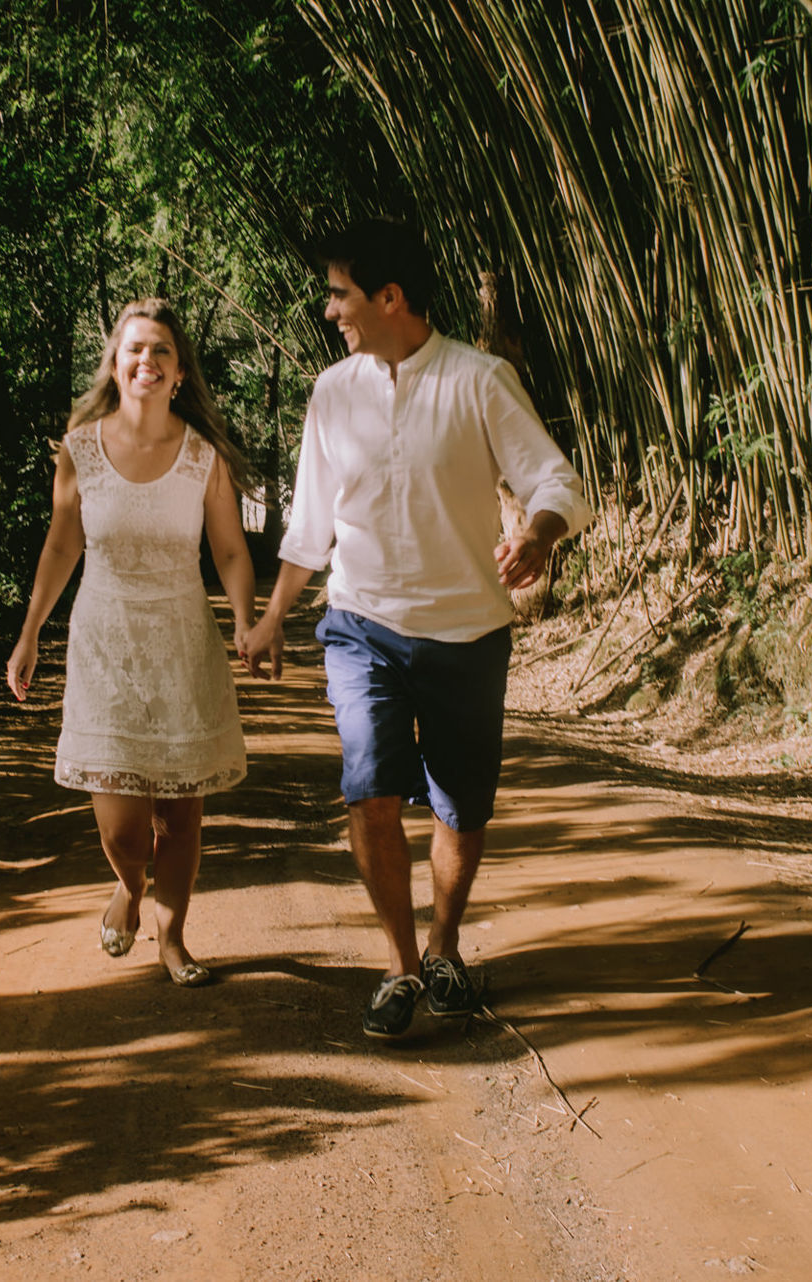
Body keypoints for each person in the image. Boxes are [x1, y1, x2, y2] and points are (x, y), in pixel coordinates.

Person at [239, 219, 588, 1039]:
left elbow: (554, 478)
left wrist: (538, 534)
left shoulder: (479, 380)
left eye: (341, 294)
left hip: (468, 630)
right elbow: (309, 525)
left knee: (461, 809)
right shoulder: (332, 394)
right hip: (361, 624)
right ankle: (399, 968)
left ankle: (443, 949)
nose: (330, 311)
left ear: (389, 297)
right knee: (370, 791)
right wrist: (270, 617)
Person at [7, 298, 254, 988]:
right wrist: (29, 634)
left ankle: (172, 940)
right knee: (122, 826)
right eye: (135, 349)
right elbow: (61, 546)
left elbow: (231, 551)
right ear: (116, 365)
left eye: (162, 352)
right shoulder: (80, 449)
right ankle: (129, 887)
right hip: (105, 644)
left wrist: (242, 619)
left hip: (182, 645)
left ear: (180, 374)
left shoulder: (203, 457)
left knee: (181, 815)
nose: (148, 361)